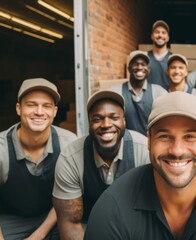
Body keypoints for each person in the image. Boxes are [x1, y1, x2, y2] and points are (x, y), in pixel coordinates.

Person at [84, 91, 196, 240]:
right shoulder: (112, 208)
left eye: (189, 136)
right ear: (149, 141)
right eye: (164, 136)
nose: (177, 150)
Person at [52, 90, 150, 239]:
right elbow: (71, 224)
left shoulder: (143, 150)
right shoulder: (71, 158)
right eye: (97, 119)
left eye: (114, 117)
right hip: (89, 230)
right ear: (89, 123)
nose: (106, 124)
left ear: (124, 121)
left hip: (133, 228)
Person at [0, 78, 77, 239]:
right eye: (31, 105)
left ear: (55, 111)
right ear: (18, 108)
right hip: (11, 220)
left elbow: (68, 197)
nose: (39, 112)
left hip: (54, 215)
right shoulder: (2, 148)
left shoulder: (68, 143)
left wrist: (37, 236)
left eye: (46, 106)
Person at [109, 50, 168, 136]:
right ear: (128, 68)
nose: (139, 67)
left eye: (143, 64)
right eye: (135, 64)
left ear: (149, 69)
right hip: (126, 143)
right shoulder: (116, 92)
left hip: (151, 144)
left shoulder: (159, 92)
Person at [147, 20, 173, 89]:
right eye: (157, 32)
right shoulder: (145, 57)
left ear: (168, 38)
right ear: (152, 36)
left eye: (163, 33)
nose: (160, 35)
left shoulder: (173, 59)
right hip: (148, 98)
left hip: (167, 98)